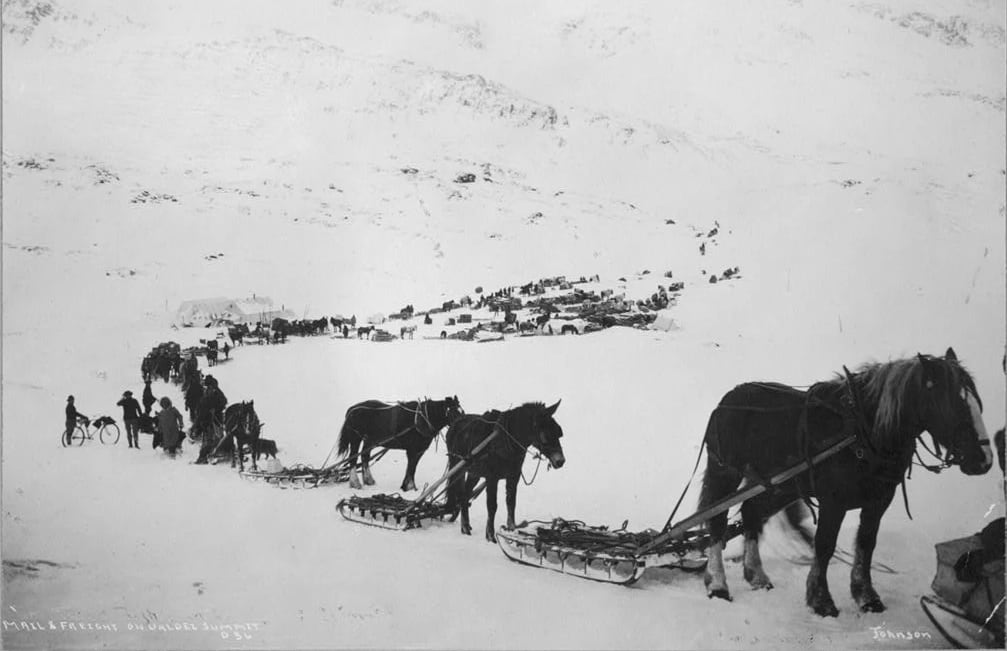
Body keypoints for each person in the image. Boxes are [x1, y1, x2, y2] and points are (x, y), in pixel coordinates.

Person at [194, 375, 228, 464]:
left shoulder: (215, 393)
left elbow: (223, 402)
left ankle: (207, 456)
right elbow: (202, 407)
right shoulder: (209, 394)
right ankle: (206, 456)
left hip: (214, 420)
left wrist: (215, 409)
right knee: (212, 438)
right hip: (210, 420)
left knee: (213, 438)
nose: (208, 388)